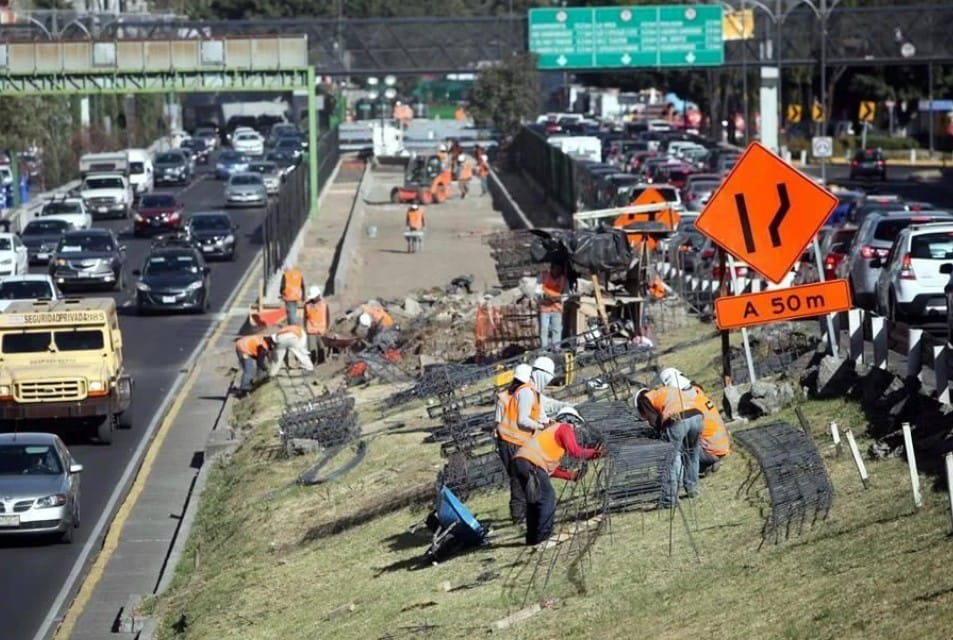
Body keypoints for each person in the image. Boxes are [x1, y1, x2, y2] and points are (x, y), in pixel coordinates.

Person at [513, 406, 603, 546]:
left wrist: (571, 475)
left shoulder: (550, 434)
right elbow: (575, 451)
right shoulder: (563, 427)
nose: (576, 431)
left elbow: (551, 469)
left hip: (521, 462)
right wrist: (596, 453)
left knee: (534, 500)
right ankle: (544, 536)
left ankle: (532, 538)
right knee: (547, 498)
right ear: (571, 420)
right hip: (531, 463)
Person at [635, 367, 703, 508]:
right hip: (697, 415)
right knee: (692, 454)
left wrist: (656, 434)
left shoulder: (644, 399)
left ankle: (669, 499)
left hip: (677, 417)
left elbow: (654, 421)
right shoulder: (664, 391)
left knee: (669, 459)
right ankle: (692, 489)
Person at [495, 363, 535, 524]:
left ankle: (520, 514)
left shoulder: (503, 397)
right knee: (524, 477)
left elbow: (497, 423)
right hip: (519, 443)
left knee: (516, 478)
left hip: (505, 444)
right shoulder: (527, 394)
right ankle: (523, 513)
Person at [692, 383, 731, 474]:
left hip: (712, 450)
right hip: (724, 447)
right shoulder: (706, 401)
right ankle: (710, 461)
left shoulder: (693, 404)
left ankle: (704, 464)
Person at [538, 263, 568, 350]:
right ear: (552, 268)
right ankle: (544, 349)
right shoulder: (543, 276)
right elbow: (537, 289)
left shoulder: (564, 280)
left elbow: (566, 293)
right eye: (555, 269)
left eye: (558, 270)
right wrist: (544, 296)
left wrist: (560, 298)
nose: (556, 271)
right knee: (544, 329)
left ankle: (556, 348)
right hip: (545, 307)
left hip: (557, 308)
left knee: (557, 329)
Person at [303, 285, 329, 364]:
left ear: (318, 295)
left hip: (321, 331)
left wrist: (326, 329)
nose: (312, 299)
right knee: (312, 349)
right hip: (311, 331)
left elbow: (327, 317)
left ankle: (321, 364)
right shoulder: (307, 305)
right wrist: (305, 328)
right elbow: (305, 317)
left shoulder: (324, 305)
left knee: (321, 348)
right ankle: (312, 364)